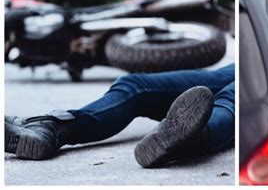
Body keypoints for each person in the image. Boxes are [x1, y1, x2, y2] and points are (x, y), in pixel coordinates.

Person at [5, 64, 234, 168]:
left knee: (229, 102)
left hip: (267, 69)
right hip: (240, 64)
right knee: (134, 85)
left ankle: (189, 137)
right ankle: (53, 128)